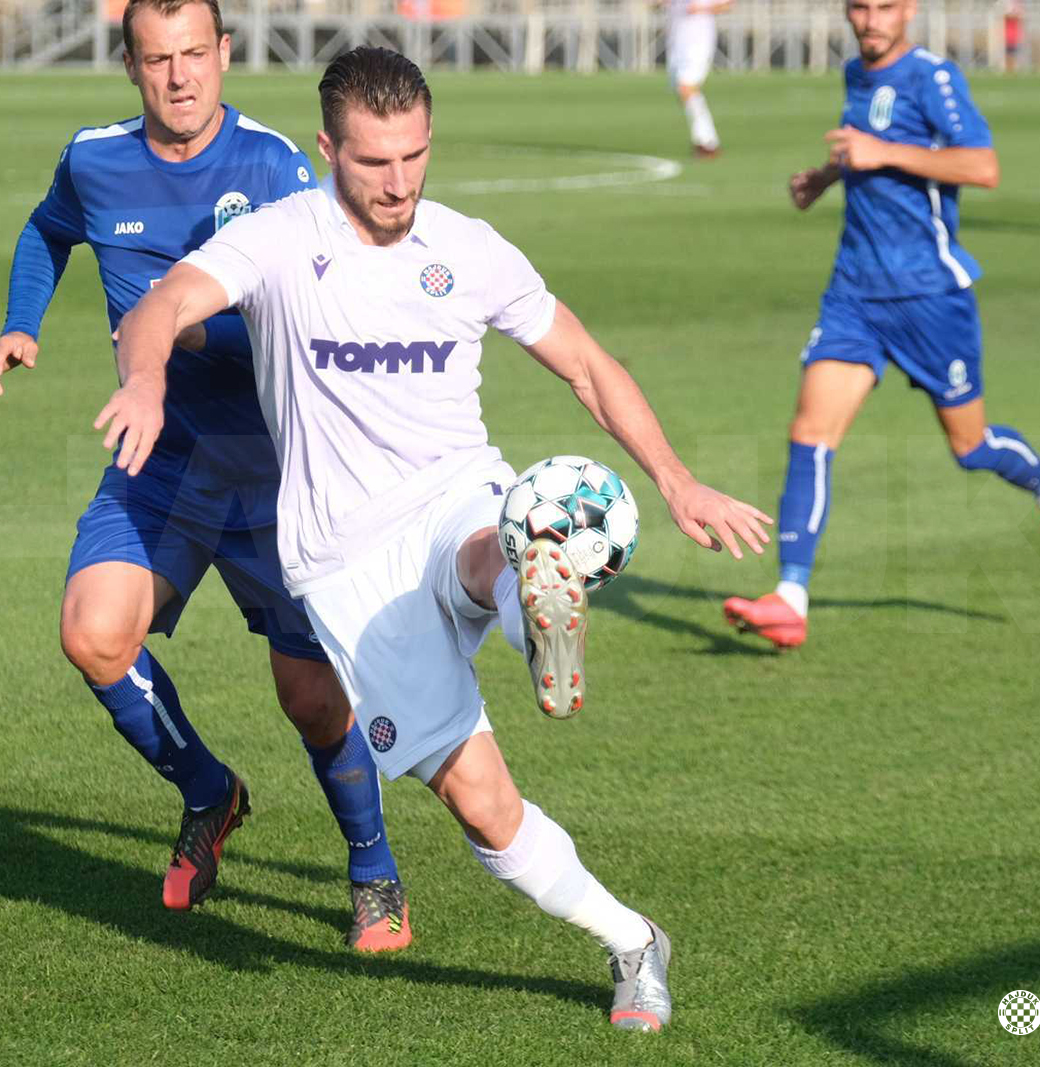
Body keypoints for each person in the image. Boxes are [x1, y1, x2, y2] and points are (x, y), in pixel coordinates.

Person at [96, 46, 771, 1031]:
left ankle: (533, 600)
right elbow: (161, 305)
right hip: (342, 568)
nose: (399, 181)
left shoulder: (471, 247)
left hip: (454, 493)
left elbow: (584, 362)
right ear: (328, 149)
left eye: (414, 155)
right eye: (374, 162)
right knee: (485, 809)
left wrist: (675, 477)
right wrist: (146, 377)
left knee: (496, 537)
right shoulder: (278, 240)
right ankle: (634, 938)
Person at [0, 0, 413, 952]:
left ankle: (373, 867)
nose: (179, 78)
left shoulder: (274, 165)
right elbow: (47, 232)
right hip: (161, 459)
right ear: (130, 66)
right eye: (157, 60)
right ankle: (212, 793)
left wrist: (182, 332)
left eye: (195, 56)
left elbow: (332, 296)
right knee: (93, 635)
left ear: (224, 54)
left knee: (313, 699)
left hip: (274, 472)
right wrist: (22, 322)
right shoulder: (93, 159)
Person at [723, 0, 1040, 650]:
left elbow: (982, 166)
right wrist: (826, 176)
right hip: (855, 293)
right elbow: (864, 150)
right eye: (859, 8)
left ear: (910, 10)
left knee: (970, 448)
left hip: (930, 295)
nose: (870, 20)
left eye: (884, 7)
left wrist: (879, 152)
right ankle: (790, 596)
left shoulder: (934, 78)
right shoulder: (853, 74)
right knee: (809, 432)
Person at [664, 0, 732, 158]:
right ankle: (705, 141)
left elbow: (727, 4)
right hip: (677, 46)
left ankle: (707, 142)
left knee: (686, 88)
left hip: (698, 45)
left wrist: (701, 8)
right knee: (685, 93)